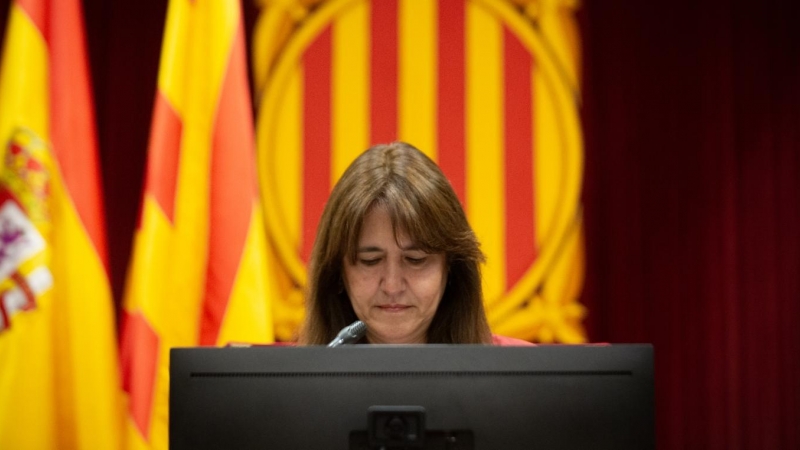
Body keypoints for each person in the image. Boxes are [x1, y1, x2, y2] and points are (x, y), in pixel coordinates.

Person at [297, 142, 531, 346]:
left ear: (450, 268)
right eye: (370, 261)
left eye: (415, 260)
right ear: (338, 272)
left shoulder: (525, 377)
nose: (392, 286)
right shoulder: (289, 386)